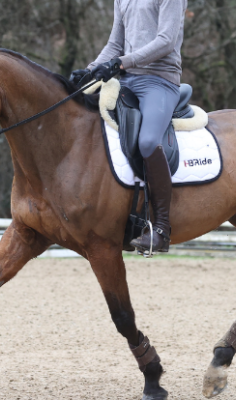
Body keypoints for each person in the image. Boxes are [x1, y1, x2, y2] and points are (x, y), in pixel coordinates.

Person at [70, 0, 188, 254]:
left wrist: (122, 62)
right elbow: (115, 43)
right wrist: (90, 71)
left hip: (159, 81)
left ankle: (161, 230)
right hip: (125, 81)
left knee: (147, 142)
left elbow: (166, 40)